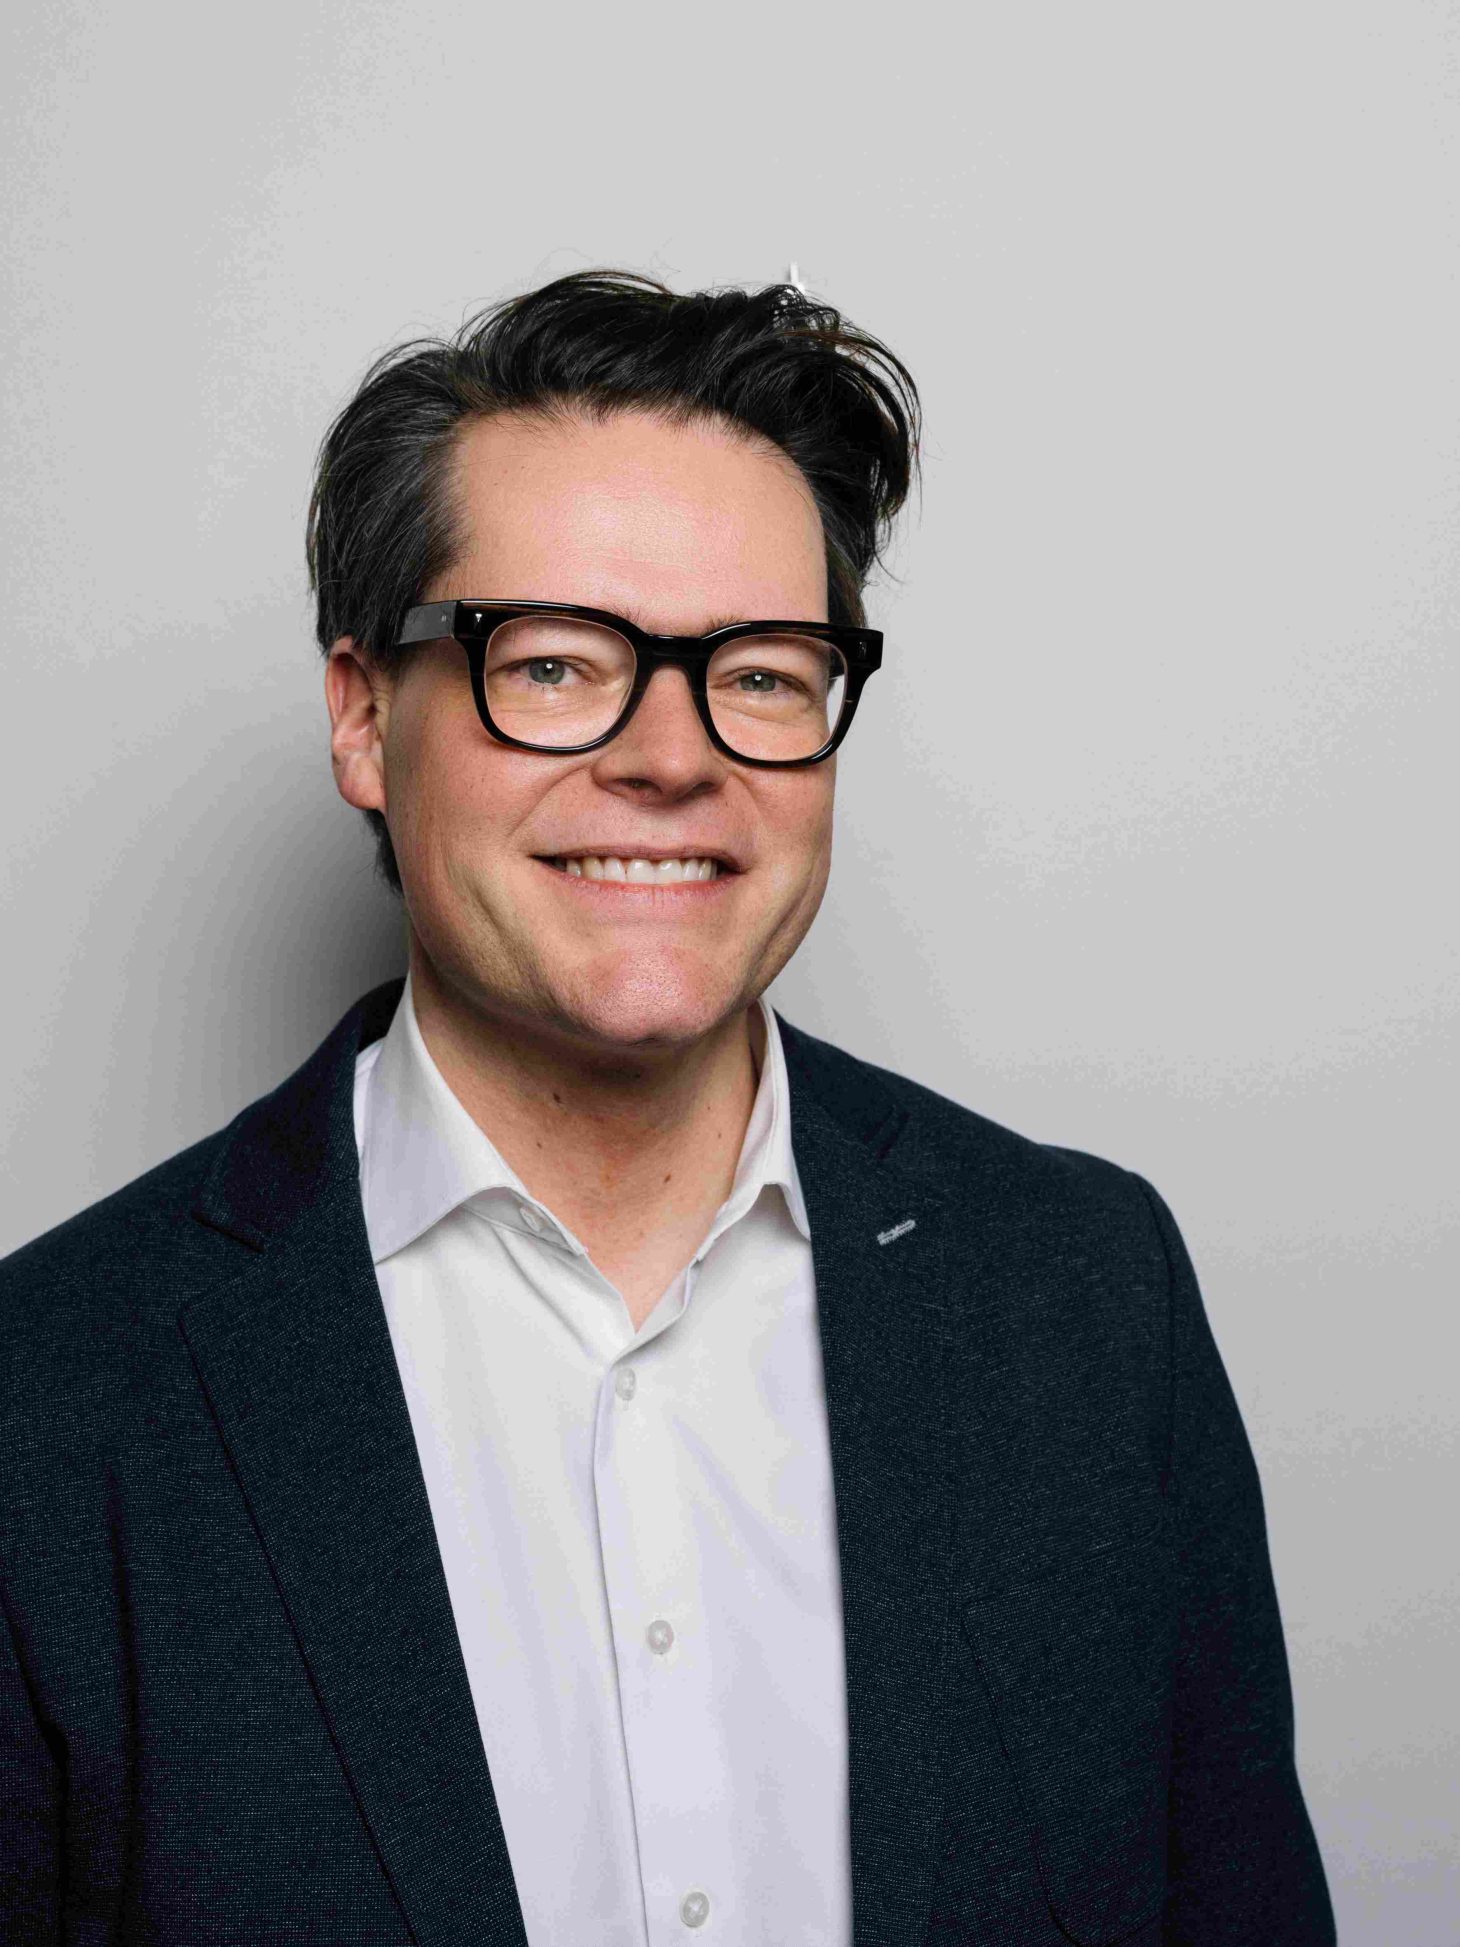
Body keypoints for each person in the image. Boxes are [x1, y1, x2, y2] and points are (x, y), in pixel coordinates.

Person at [0, 270, 1334, 1946]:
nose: (672, 757)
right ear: (363, 716)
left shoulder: (1086, 1294)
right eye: (556, 664)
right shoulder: (52, 1401)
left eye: (763, 674)